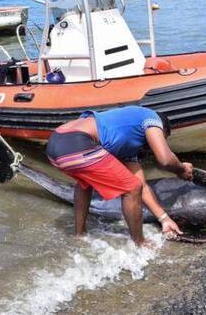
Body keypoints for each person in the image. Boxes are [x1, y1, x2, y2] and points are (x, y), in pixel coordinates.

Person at [45, 105, 194, 246]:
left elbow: (142, 185)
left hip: (55, 146)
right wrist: (181, 169)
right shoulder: (151, 118)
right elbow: (165, 159)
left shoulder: (125, 143)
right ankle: (140, 243)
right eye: (163, 137)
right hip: (78, 144)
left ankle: (80, 234)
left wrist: (164, 219)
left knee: (85, 184)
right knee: (131, 189)